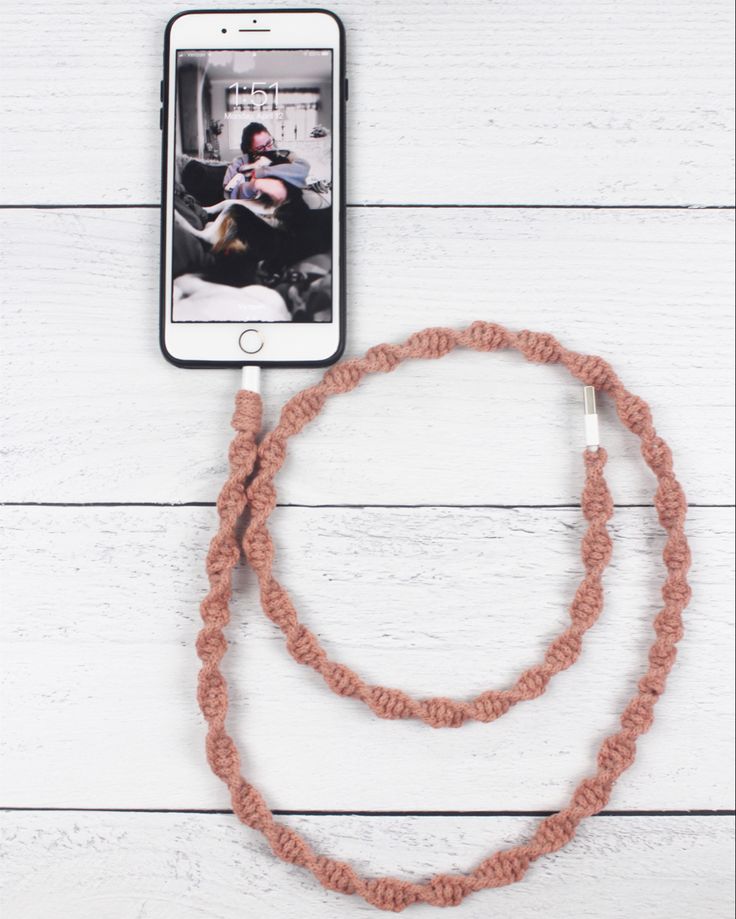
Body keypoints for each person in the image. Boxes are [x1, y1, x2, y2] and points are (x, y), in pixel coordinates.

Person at [223, 122, 310, 206]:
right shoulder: (239, 163)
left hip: (285, 206)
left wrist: (262, 171)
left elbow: (303, 168)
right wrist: (253, 185)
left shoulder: (286, 154)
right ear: (250, 149)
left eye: (269, 143)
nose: (268, 150)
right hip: (252, 209)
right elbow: (228, 195)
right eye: (260, 148)